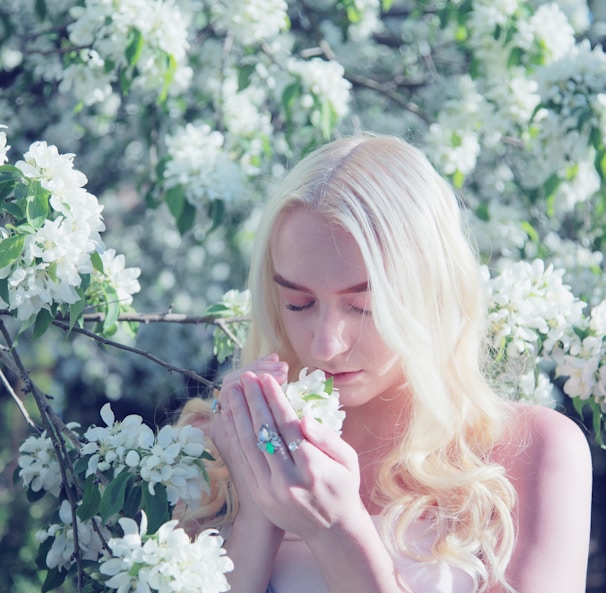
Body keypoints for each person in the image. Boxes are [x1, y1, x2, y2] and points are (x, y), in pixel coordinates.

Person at [175, 134, 592, 593]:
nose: (326, 345)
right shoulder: (214, 448)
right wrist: (259, 510)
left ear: (433, 291)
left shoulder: (531, 452)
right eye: (298, 303)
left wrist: (338, 531)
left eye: (365, 306)